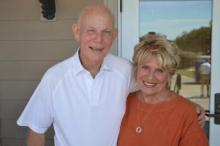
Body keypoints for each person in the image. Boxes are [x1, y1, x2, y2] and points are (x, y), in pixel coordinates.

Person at [17, 3, 205, 146]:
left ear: (114, 36)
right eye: (91, 31)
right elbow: (37, 130)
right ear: (77, 32)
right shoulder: (54, 78)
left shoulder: (123, 70)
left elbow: (153, 81)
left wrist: (190, 108)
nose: (98, 40)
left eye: (106, 32)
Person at [118, 33, 208, 146]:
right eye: (145, 67)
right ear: (136, 69)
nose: (150, 77)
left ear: (169, 74)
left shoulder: (187, 112)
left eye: (159, 70)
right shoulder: (123, 102)